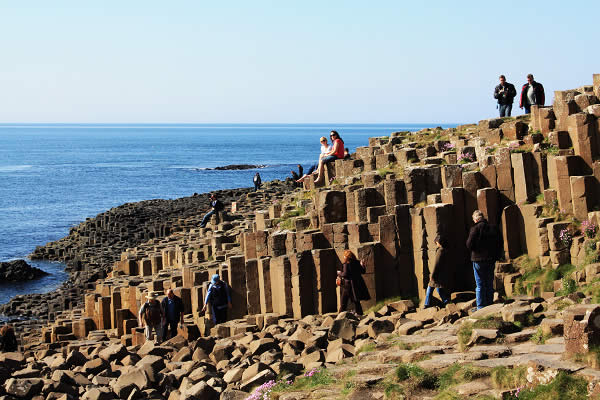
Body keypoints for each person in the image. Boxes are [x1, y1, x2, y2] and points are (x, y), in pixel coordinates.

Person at [466, 210, 503, 310]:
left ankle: (481, 307)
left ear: (476, 219)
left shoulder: (475, 228)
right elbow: (499, 243)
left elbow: (469, 244)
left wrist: (476, 250)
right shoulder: (493, 228)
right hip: (491, 259)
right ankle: (489, 304)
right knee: (489, 282)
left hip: (478, 259)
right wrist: (496, 255)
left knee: (480, 284)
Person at [337, 250, 371, 315]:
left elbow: (345, 274)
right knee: (356, 300)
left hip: (348, 285)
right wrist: (362, 265)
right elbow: (363, 271)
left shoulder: (346, 264)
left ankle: (339, 317)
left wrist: (339, 273)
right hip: (356, 284)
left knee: (344, 301)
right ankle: (360, 314)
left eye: (344, 255)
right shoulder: (357, 262)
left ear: (347, 256)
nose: (343, 257)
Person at [424, 235, 451, 308]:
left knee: (430, 288)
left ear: (439, 242)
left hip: (437, 274)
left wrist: (432, 276)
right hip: (441, 274)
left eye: (436, 242)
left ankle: (426, 304)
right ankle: (446, 302)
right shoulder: (445, 250)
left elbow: (437, 264)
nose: (436, 244)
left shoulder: (440, 251)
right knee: (439, 289)